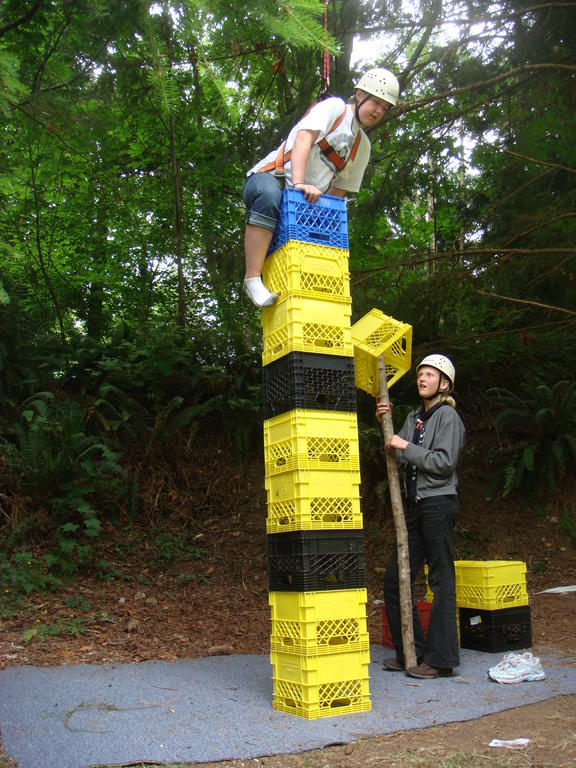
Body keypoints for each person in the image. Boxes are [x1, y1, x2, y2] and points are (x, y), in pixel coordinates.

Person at [241, 67, 400, 307]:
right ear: (359, 95)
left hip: (302, 204)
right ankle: (252, 279)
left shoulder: (362, 146)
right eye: (376, 102)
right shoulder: (334, 108)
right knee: (269, 195)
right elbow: (303, 139)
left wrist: (317, 223)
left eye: (385, 107)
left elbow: (338, 192)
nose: (379, 110)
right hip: (272, 178)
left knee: (319, 234)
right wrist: (299, 183)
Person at [376, 354, 465, 680]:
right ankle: (411, 652)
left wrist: (405, 446)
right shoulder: (414, 418)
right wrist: (385, 423)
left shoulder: (447, 417)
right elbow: (395, 454)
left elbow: (443, 463)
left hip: (439, 503)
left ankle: (442, 660)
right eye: (420, 375)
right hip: (416, 507)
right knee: (395, 578)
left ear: (444, 383)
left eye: (429, 375)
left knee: (440, 580)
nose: (422, 379)